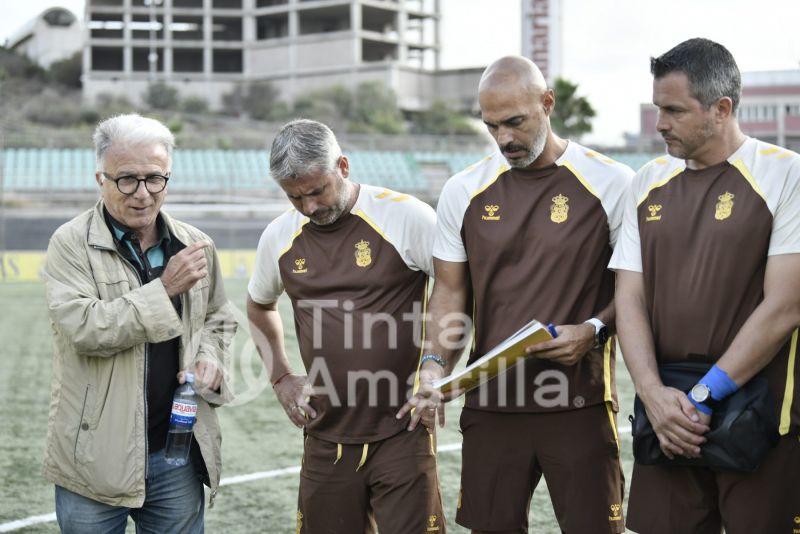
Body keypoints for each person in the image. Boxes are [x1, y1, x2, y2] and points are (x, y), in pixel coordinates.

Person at [398, 55, 633, 534]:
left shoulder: (613, 183)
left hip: (580, 404)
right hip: (492, 404)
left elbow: (638, 290)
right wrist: (432, 367)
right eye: (491, 126)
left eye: (515, 122)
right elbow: (449, 293)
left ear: (547, 104)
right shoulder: (463, 191)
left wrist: (594, 329)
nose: (504, 138)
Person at [609, 37, 800, 534]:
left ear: (721, 109)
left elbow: (785, 306)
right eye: (657, 108)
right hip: (667, 414)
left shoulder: (786, 175)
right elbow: (629, 296)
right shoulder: (646, 181)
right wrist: (652, 394)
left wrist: (701, 397)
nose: (660, 124)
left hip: (757, 413)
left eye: (673, 110)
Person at [246, 119, 445, 533]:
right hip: (325, 431)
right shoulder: (280, 236)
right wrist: (281, 376)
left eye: (317, 191)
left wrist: (434, 365)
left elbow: (455, 291)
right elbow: (259, 305)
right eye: (295, 197)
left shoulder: (406, 217)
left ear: (343, 165)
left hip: (402, 428)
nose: (310, 207)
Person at [43, 113, 236, 533]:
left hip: (178, 452)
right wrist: (163, 289)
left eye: (155, 178)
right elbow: (85, 329)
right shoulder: (70, 244)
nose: (143, 193)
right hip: (94, 458)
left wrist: (209, 359)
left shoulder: (196, 243)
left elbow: (219, 319)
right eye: (127, 179)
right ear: (101, 178)